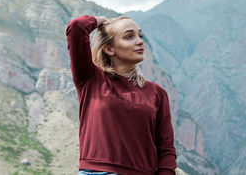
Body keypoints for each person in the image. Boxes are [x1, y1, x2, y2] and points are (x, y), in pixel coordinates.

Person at [66, 14, 177, 175]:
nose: (139, 41)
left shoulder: (157, 93)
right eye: (129, 36)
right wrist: (100, 21)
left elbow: (166, 149)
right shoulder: (91, 79)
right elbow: (76, 28)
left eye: (140, 35)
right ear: (109, 49)